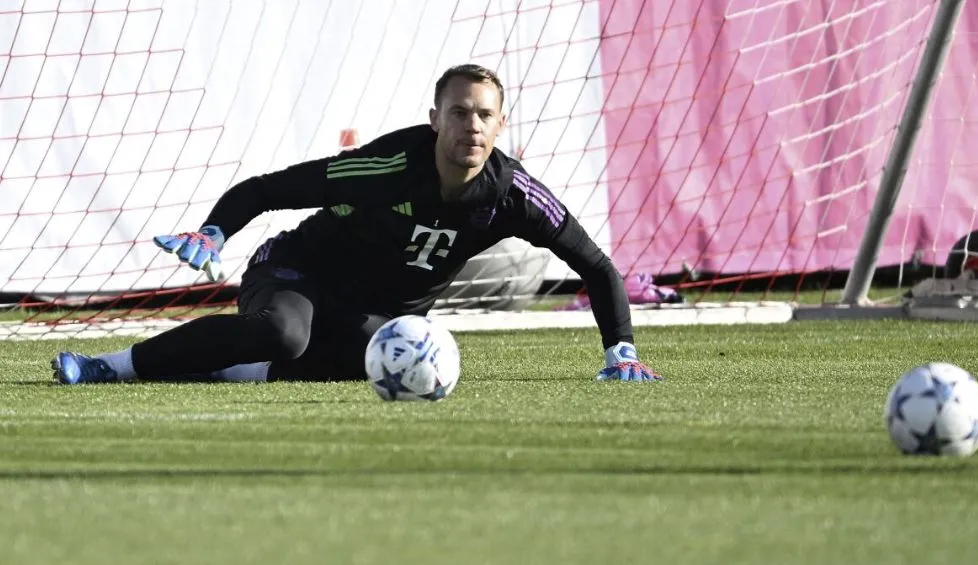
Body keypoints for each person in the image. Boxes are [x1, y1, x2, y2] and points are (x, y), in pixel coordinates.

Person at [51, 64, 661, 385]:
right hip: (297, 271)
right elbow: (273, 188)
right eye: (458, 112)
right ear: (435, 120)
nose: (470, 126)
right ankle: (113, 364)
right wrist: (214, 232)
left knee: (397, 354)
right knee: (284, 334)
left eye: (483, 115)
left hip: (378, 314)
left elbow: (597, 266)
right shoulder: (390, 164)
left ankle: (231, 366)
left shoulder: (516, 196)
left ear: (500, 127)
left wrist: (622, 350)